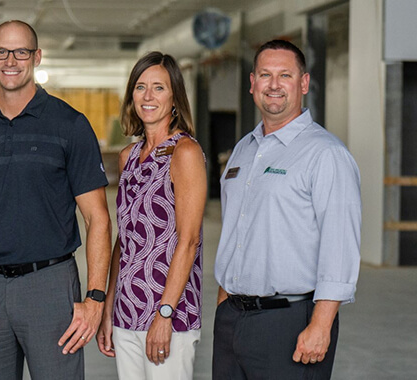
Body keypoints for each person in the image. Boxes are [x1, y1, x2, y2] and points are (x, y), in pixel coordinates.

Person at [0, 20, 111, 380]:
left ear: (36, 57)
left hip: (49, 285)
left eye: (21, 51)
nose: (11, 60)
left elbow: (98, 219)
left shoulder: (70, 125)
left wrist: (95, 298)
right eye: (2, 52)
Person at [213, 39, 361, 379]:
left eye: (285, 75)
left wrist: (321, 325)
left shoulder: (325, 154)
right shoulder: (243, 150)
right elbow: (235, 230)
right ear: (252, 83)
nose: (274, 85)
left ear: (304, 83)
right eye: (265, 75)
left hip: (290, 321)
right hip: (233, 318)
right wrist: (225, 303)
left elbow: (340, 245)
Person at [96, 52, 206, 379]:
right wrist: (108, 307)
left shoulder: (185, 152)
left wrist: (165, 314)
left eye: (158, 88)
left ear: (174, 97)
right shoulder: (128, 156)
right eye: (140, 87)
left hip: (168, 314)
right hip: (127, 311)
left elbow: (189, 240)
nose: (148, 96)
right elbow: (124, 240)